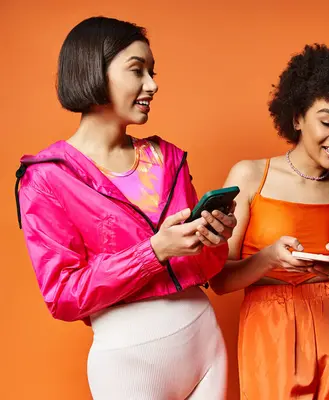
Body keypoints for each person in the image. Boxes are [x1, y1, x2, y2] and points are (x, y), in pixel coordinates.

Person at [15, 16, 235, 400]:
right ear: (92, 73)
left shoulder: (166, 157)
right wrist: (153, 252)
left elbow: (205, 267)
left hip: (205, 341)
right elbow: (63, 294)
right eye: (137, 70)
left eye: (152, 71)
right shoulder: (48, 178)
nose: (152, 84)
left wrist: (214, 240)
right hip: (130, 358)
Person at [208, 44, 329, 399]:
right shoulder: (251, 176)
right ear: (297, 117)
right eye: (327, 122)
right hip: (271, 336)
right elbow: (219, 280)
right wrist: (270, 259)